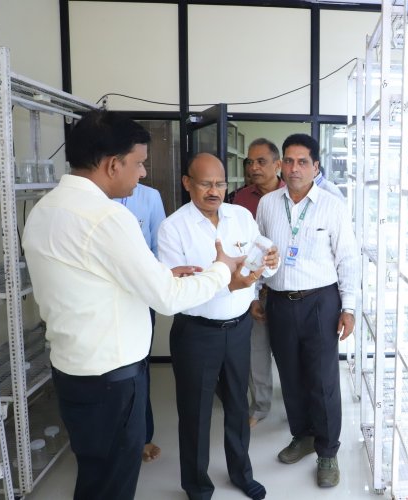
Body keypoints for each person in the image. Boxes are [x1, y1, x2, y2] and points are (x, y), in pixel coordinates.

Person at [22, 110, 246, 500]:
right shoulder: (108, 217)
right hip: (111, 378)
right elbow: (167, 298)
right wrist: (222, 271)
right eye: (139, 163)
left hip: (73, 369)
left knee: (95, 472)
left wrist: (163, 275)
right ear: (112, 164)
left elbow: (92, 280)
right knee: (113, 483)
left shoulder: (45, 209)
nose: (142, 173)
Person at [157, 152, 278, 500]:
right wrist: (227, 282)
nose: (214, 191)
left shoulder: (240, 216)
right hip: (196, 334)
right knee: (195, 414)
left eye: (220, 183)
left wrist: (271, 261)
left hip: (239, 329)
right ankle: (196, 486)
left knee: (239, 406)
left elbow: (262, 264)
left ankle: (241, 472)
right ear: (187, 183)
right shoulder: (173, 227)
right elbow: (176, 291)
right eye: (205, 183)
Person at [254, 133, 359, 488]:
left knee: (323, 379)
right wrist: (256, 292)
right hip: (280, 301)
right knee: (291, 374)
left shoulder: (333, 206)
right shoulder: (268, 204)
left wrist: (349, 308)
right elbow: (259, 251)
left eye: (302, 162)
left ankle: (328, 450)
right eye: (288, 160)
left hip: (321, 302)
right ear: (281, 165)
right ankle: (303, 435)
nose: (294, 168)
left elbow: (347, 259)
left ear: (316, 167)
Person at [229, 138, 284, 428]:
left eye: (260, 161)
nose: (253, 167)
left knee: (289, 353)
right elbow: (237, 249)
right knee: (257, 351)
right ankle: (260, 406)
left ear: (277, 165)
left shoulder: (294, 196)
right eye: (249, 162)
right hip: (254, 287)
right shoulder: (241, 199)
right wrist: (250, 293)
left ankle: (295, 406)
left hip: (288, 288)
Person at [113, 182, 165, 462]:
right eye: (138, 161)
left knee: (138, 365)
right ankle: (112, 438)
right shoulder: (95, 197)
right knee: (108, 368)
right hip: (105, 298)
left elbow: (159, 246)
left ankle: (143, 435)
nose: (144, 171)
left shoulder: (150, 196)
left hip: (141, 298)